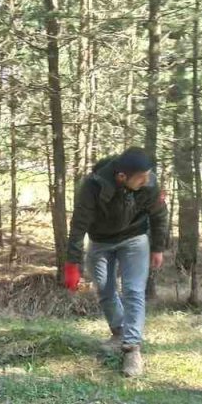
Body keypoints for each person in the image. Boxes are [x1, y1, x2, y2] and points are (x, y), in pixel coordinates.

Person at [63, 147, 167, 378]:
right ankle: (119, 332)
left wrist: (158, 247)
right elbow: (79, 224)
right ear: (121, 176)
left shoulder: (149, 183)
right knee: (104, 289)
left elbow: (159, 215)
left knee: (133, 290)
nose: (146, 180)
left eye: (147, 175)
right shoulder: (93, 186)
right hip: (100, 242)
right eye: (141, 177)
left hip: (135, 238)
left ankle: (132, 348)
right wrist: (72, 263)